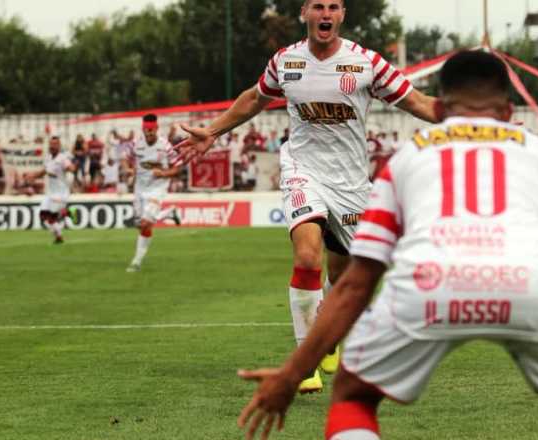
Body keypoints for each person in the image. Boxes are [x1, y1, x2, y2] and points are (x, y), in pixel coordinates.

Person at [236, 50, 538, 440]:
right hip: (531, 286)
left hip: (429, 286)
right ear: (508, 112)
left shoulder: (406, 160)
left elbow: (356, 284)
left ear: (439, 109)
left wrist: (292, 372)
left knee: (354, 400)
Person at [177, 0, 439, 393]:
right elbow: (254, 98)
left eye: (333, 6)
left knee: (347, 276)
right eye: (318, 6)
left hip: (351, 184)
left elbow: (418, 102)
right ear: (305, 13)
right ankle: (306, 361)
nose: (326, 13)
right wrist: (213, 131)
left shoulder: (367, 63)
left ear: (342, 15)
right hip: (303, 170)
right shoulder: (286, 61)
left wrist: (479, 118)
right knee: (306, 255)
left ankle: (328, 332)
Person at [124, 114, 183, 273]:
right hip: (139, 188)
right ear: (143, 129)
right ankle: (169, 214)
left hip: (157, 189)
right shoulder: (136, 143)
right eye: (146, 130)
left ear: (156, 128)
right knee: (141, 225)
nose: (149, 133)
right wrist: (128, 169)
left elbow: (178, 167)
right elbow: (125, 158)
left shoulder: (165, 146)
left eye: (151, 130)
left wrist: (164, 174)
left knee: (145, 223)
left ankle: (136, 262)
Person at [25, 136, 76, 245]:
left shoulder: (62, 158)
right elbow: (44, 171)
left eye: (55, 144)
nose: (52, 146)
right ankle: (58, 236)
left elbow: (71, 168)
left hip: (61, 193)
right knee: (43, 216)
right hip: (50, 193)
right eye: (51, 144)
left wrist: (70, 168)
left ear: (59, 146)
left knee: (51, 216)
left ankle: (69, 212)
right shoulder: (48, 158)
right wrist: (33, 176)